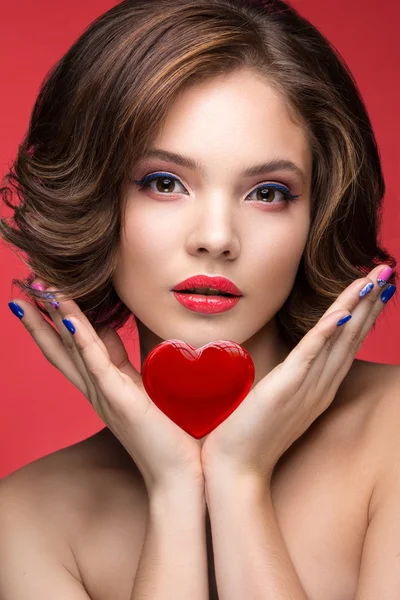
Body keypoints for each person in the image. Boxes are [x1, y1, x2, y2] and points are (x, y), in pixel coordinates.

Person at [0, 0, 398, 597]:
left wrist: (239, 480)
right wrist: (173, 489)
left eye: (267, 192)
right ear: (95, 200)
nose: (216, 238)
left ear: (319, 213)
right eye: (164, 183)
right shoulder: (28, 519)